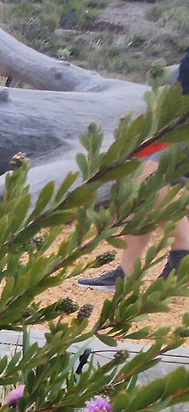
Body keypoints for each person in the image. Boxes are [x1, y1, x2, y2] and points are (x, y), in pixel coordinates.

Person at [78, 47, 189, 290]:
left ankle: (182, 253)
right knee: (138, 171)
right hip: (179, 112)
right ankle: (128, 271)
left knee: (145, 176)